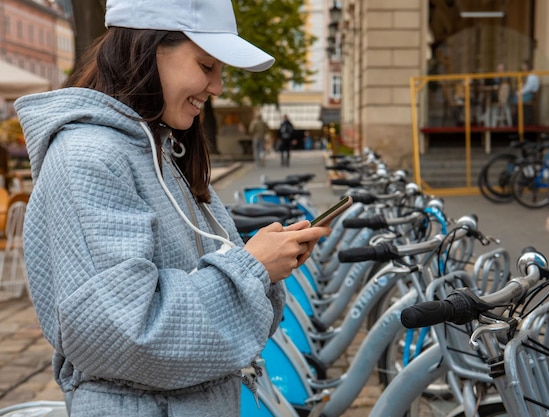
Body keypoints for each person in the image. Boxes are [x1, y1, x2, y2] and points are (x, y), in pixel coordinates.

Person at [14, 0, 330, 416]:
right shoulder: (88, 157)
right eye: (206, 65)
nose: (218, 87)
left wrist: (263, 262)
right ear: (148, 50)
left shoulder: (162, 151)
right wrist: (252, 268)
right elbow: (124, 334)